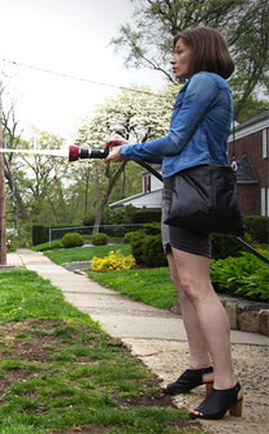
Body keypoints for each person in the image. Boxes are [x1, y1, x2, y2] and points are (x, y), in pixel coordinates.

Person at [105, 27, 242, 420]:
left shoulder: (205, 81)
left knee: (198, 286)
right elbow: (176, 146)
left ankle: (227, 383)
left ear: (200, 51)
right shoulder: (196, 86)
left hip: (196, 186)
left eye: (179, 51)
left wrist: (129, 151)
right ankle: (200, 366)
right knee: (183, 286)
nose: (172, 58)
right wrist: (129, 148)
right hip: (180, 184)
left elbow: (177, 141)